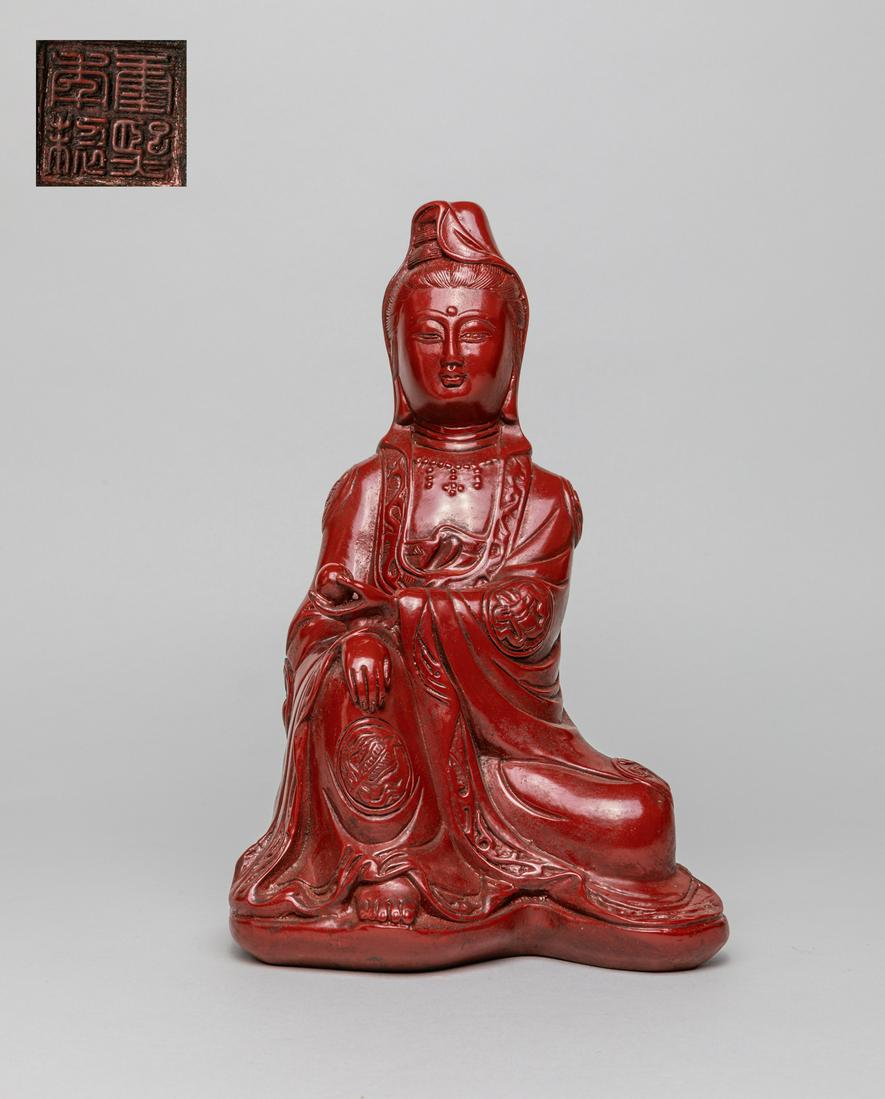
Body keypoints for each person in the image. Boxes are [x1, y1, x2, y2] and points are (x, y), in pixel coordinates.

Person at [230, 202, 727, 970]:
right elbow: (318, 619)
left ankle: (477, 872)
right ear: (395, 353)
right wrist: (358, 639)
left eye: (474, 333)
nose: (453, 356)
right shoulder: (366, 490)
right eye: (430, 334)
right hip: (397, 739)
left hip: (506, 760)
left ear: (513, 354)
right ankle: (387, 868)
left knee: (638, 819)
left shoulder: (544, 498)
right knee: (352, 682)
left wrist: (395, 612)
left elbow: (523, 623)